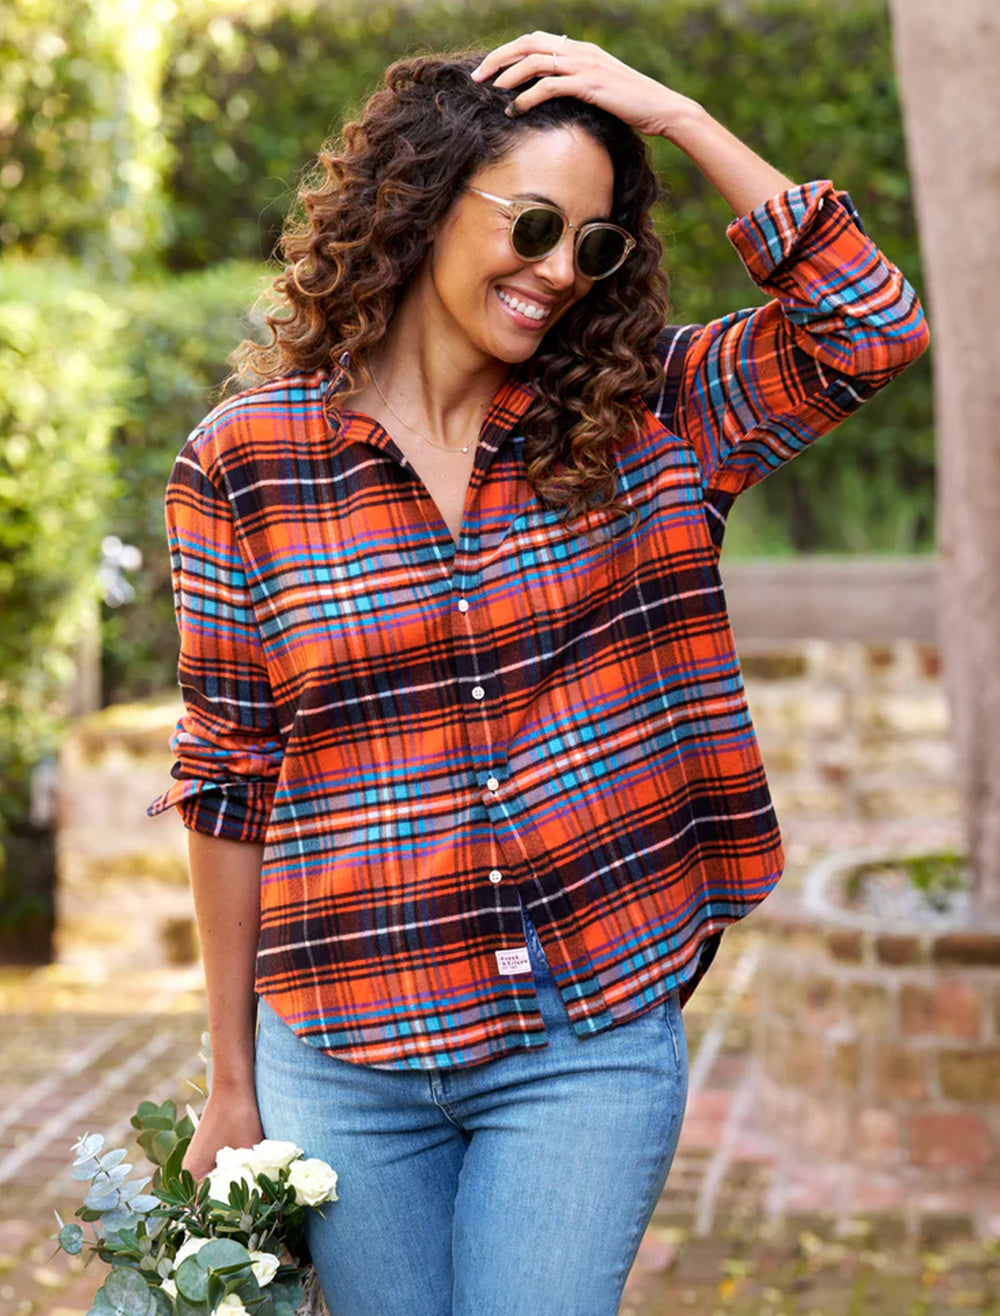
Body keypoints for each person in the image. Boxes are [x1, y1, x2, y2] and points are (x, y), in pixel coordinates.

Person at [150, 30, 929, 1316]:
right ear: (418, 203)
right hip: (343, 1048)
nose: (559, 270)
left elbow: (869, 327)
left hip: (588, 1031)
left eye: (595, 242)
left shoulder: (649, 416)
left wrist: (677, 115)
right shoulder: (246, 463)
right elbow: (228, 775)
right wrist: (231, 1077)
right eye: (531, 225)